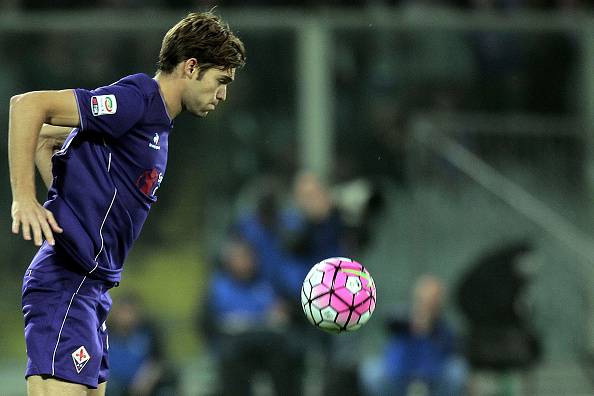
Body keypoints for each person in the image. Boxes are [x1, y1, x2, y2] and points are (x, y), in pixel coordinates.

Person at [8, 11, 245, 396]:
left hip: (92, 291)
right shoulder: (136, 102)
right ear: (190, 67)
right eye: (221, 81)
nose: (223, 95)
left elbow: (45, 139)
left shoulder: (155, 125)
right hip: (66, 282)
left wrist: (69, 203)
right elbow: (27, 107)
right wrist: (24, 198)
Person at [199, 237, 300, 396]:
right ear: (229, 262)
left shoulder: (266, 285)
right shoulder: (218, 288)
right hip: (234, 346)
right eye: (240, 258)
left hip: (267, 343)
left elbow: (285, 312)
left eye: (248, 257)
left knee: (288, 354)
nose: (246, 262)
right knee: (230, 359)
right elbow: (206, 324)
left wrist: (283, 312)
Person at [360, 275, 468, 396]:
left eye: (434, 299)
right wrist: (412, 322)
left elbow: (452, 350)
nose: (429, 303)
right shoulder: (402, 318)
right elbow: (388, 320)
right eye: (425, 298)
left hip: (433, 380)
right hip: (398, 377)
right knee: (371, 370)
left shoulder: (444, 328)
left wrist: (431, 328)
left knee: (457, 370)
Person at [107, 293, 178, 396]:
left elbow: (159, 360)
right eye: (123, 311)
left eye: (130, 311)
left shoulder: (149, 331)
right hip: (114, 384)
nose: (126, 316)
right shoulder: (103, 334)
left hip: (144, 384)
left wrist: (148, 378)